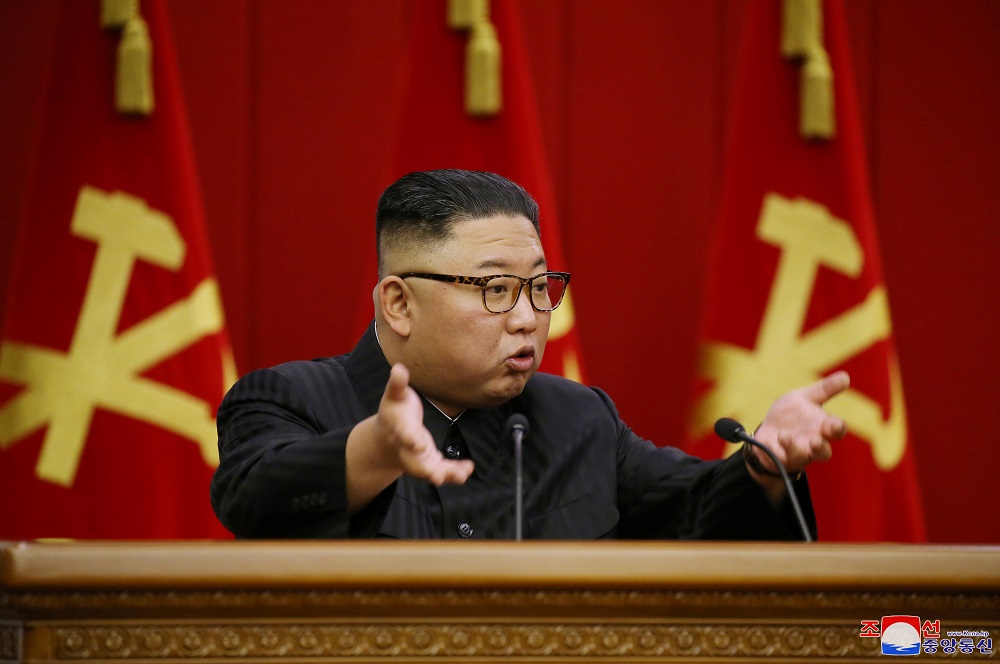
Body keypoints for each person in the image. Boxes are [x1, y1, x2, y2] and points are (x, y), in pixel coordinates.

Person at [210, 169, 849, 539]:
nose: (527, 317)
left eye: (539, 288)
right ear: (399, 304)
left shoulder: (578, 419)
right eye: (494, 290)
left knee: (921, 637)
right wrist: (373, 450)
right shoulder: (288, 400)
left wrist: (764, 463)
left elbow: (694, 508)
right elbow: (249, 494)